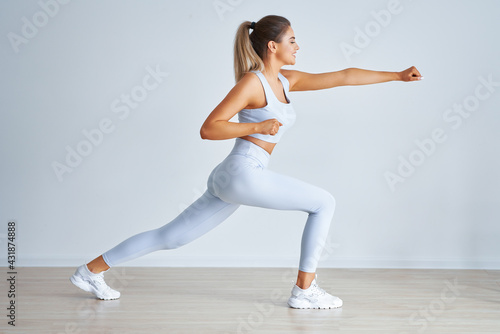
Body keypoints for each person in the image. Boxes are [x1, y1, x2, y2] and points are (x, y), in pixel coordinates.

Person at [70, 15, 422, 309]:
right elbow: (209, 128)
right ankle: (304, 290)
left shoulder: (286, 80)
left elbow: (344, 76)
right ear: (273, 46)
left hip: (235, 176)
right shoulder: (252, 84)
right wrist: (256, 125)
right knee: (324, 203)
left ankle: (90, 271)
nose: (298, 47)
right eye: (293, 40)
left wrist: (396, 75)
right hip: (242, 171)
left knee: (172, 237)